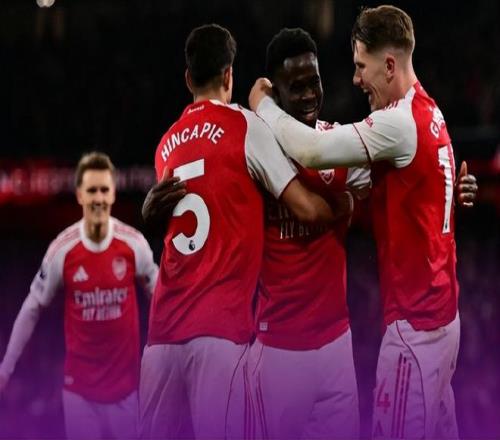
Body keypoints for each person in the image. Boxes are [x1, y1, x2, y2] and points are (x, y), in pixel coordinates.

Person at [249, 5, 477, 439]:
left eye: (360, 66)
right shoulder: (430, 112)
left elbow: (312, 151)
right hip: (443, 323)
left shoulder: (398, 124)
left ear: (388, 65)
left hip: (414, 328)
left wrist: (264, 105)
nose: (355, 79)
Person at [138, 23, 349, 440]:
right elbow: (307, 209)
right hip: (220, 333)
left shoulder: (165, 146)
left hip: (161, 337)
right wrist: (343, 207)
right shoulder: (246, 127)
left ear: (188, 79)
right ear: (229, 74)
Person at [247, 28, 369, 440]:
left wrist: (455, 194)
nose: (308, 95)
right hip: (278, 351)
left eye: (313, 82)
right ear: (276, 94)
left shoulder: (338, 142)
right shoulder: (257, 151)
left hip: (337, 345)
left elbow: (396, 183)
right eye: (295, 87)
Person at [0, 152, 158, 439]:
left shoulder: (134, 244)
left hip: (126, 393)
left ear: (113, 194)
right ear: (80, 195)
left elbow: (162, 300)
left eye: (104, 190)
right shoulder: (62, 250)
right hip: (79, 394)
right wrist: (6, 367)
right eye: (92, 190)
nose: (98, 198)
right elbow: (32, 307)